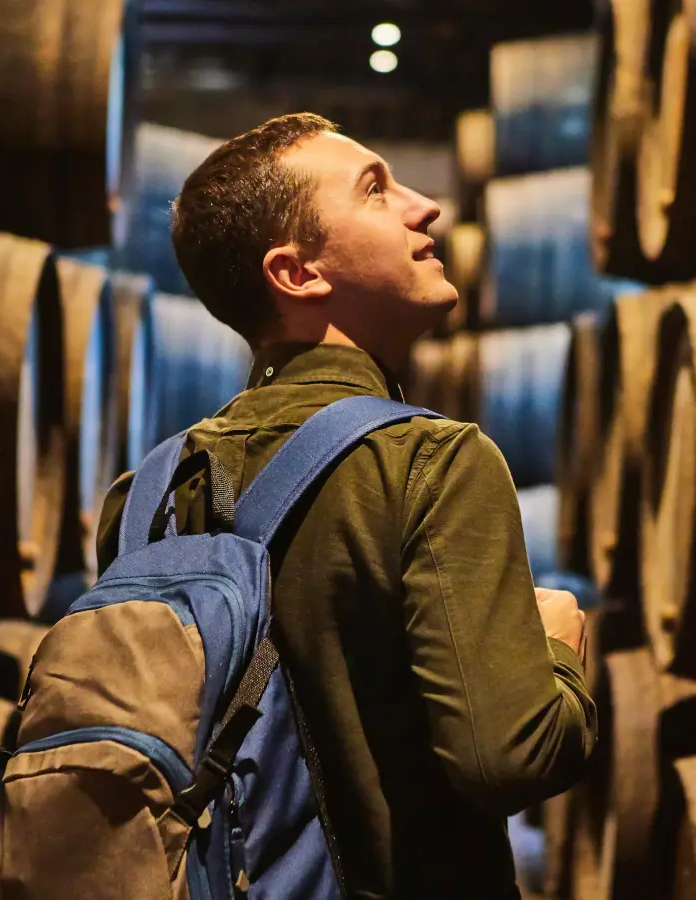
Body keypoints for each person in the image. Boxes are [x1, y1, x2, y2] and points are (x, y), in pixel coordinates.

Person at [94, 113, 597, 899]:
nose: (426, 207)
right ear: (297, 275)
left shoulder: (145, 496)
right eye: (376, 191)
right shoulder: (432, 462)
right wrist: (559, 648)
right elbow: (509, 760)